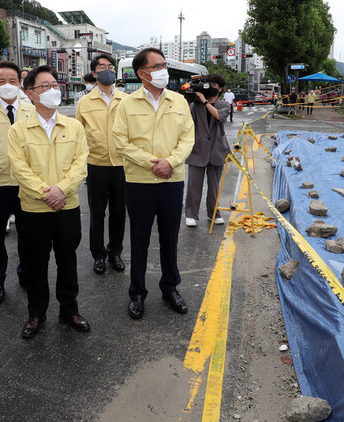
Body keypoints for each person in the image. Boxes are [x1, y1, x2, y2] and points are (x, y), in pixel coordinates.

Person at [8, 66, 90, 339]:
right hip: (34, 209)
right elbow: (19, 169)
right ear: (30, 94)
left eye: (55, 84)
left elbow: (80, 165)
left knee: (68, 260)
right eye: (45, 86)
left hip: (67, 207)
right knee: (36, 263)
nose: (53, 89)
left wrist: (61, 190)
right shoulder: (18, 130)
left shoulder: (74, 126)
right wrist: (47, 192)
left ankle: (70, 309)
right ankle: (36, 313)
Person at [112, 48, 194, 320]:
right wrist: (152, 163)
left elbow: (187, 139)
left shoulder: (179, 101)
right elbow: (121, 142)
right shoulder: (127, 104)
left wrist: (170, 162)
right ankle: (137, 292)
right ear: (142, 73)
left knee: (170, 237)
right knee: (139, 239)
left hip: (172, 180)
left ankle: (170, 288)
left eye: (163, 65)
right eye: (157, 66)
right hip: (139, 182)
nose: (163, 71)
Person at [0, 60, 34, 304]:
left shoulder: (32, 112)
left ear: (20, 83)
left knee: (28, 234)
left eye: (13, 81)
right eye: (2, 81)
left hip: (26, 185)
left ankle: (26, 274)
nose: (8, 85)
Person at [75, 53, 128, 275]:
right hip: (95, 164)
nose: (107, 70)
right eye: (102, 67)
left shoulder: (126, 100)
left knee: (118, 213)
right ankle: (98, 255)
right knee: (97, 213)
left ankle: (115, 252)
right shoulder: (84, 102)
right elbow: (78, 133)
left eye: (111, 67)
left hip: (122, 165)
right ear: (94, 72)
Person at [183, 73, 230, 228]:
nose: (211, 87)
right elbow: (187, 123)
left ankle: (214, 213)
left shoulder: (224, 105)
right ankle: (191, 214)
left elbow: (219, 117)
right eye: (209, 84)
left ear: (221, 88)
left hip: (217, 150)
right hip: (198, 150)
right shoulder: (195, 105)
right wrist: (196, 100)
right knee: (193, 185)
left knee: (214, 186)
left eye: (214, 85)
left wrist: (205, 102)